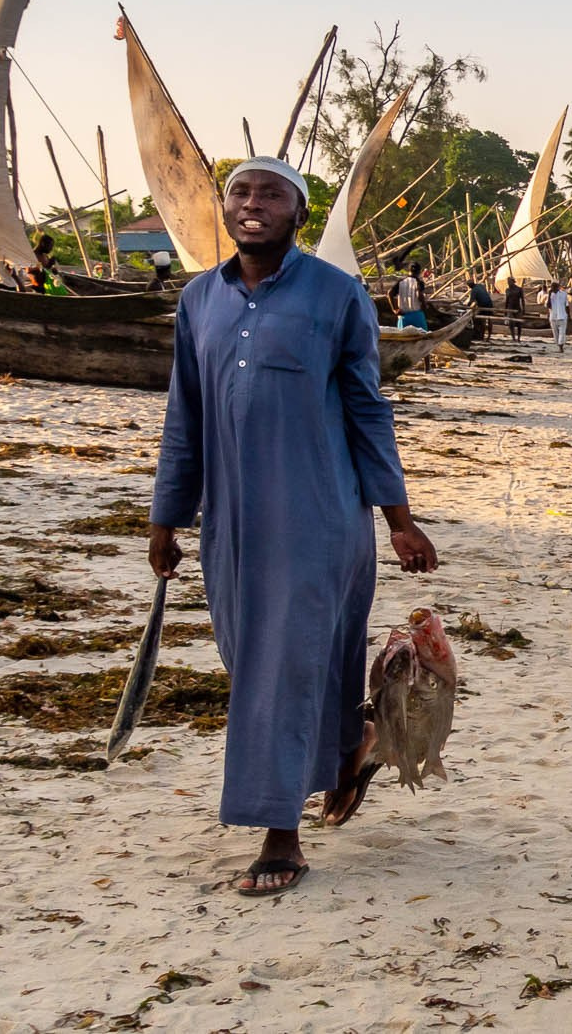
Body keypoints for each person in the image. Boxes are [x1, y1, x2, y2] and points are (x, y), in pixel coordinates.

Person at [149, 156, 437, 899]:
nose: (252, 204)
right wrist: (167, 516)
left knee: (280, 668)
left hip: (320, 513)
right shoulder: (197, 302)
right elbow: (185, 414)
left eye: (270, 194)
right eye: (240, 192)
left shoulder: (336, 296)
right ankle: (352, 744)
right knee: (257, 661)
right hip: (232, 524)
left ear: (297, 214)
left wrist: (398, 518)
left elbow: (368, 410)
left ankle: (281, 832)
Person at [391, 262, 428, 331]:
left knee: (402, 338)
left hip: (403, 316)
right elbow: (419, 294)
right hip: (416, 315)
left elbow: (389, 293)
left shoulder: (401, 282)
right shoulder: (418, 282)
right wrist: (424, 305)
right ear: (419, 272)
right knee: (423, 336)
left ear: (409, 271)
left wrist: (394, 309)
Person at [468, 275, 495, 342]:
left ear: (469, 286)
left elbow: (471, 301)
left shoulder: (473, 291)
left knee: (480, 320)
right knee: (489, 320)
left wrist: (466, 306)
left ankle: (481, 336)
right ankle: (488, 337)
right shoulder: (480, 286)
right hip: (490, 304)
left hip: (483, 306)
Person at [548, 279, 570, 352]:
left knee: (562, 333)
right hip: (553, 317)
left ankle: (561, 347)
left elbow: (567, 305)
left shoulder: (564, 294)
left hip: (562, 316)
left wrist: (568, 315)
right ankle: (559, 345)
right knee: (555, 333)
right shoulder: (550, 295)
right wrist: (549, 295)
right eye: (552, 287)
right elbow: (548, 306)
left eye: (554, 287)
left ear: (558, 287)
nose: (553, 288)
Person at [503, 277, 525, 342]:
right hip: (510, 309)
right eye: (508, 282)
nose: (508, 283)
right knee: (511, 323)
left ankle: (518, 338)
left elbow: (522, 300)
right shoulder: (507, 290)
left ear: (513, 282)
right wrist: (505, 311)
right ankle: (513, 338)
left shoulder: (519, 289)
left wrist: (524, 309)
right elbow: (506, 301)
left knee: (519, 324)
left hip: (517, 308)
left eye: (509, 282)